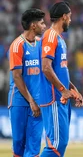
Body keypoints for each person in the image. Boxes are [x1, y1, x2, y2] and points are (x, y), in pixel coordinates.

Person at [39, 2, 83, 157]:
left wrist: (72, 88)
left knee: (60, 142)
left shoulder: (60, 39)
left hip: (61, 97)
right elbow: (46, 67)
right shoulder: (50, 36)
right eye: (69, 17)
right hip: (53, 97)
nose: (70, 21)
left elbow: (61, 69)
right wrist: (62, 89)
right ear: (64, 16)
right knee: (56, 144)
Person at [8, 8, 46, 157]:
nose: (44, 26)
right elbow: (17, 76)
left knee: (34, 144)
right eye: (42, 23)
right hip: (19, 101)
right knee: (19, 143)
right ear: (33, 25)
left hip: (38, 102)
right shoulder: (17, 46)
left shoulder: (41, 45)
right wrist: (31, 101)